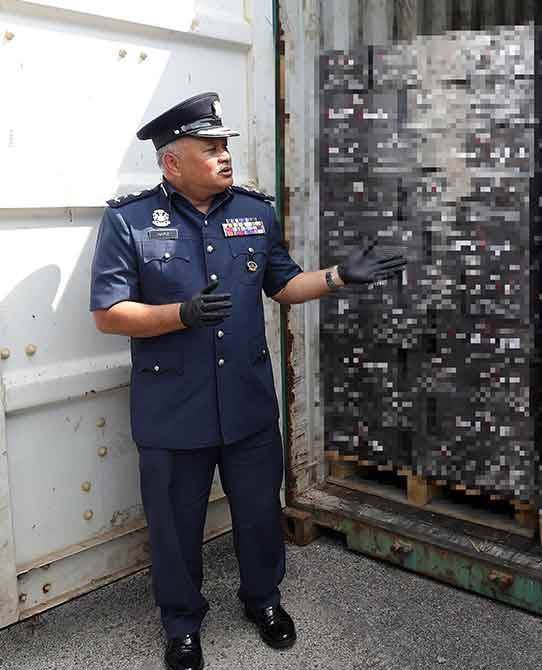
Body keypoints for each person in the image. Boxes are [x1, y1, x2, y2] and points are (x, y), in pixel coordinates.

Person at [89, 92, 406, 670]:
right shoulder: (130, 221)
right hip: (171, 409)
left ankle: (263, 600)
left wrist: (338, 277)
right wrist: (178, 315)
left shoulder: (255, 212)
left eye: (225, 145)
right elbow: (108, 314)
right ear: (171, 162)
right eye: (208, 148)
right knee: (175, 527)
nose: (224, 155)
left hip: (246, 404)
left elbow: (281, 285)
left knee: (260, 514)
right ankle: (181, 625)